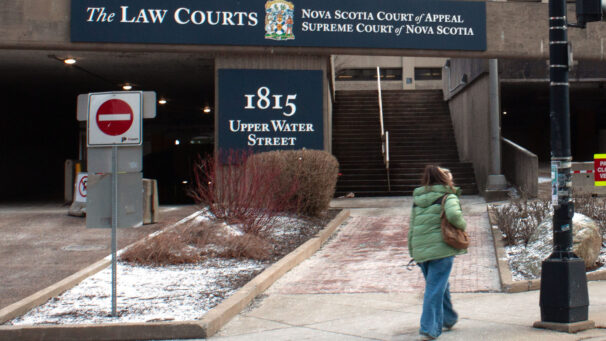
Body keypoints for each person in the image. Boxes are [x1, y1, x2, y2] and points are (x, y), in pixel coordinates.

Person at [408, 165, 467, 340]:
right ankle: (428, 328)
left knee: (440, 285)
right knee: (434, 288)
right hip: (441, 249)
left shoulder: (418, 199)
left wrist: (413, 250)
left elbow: (411, 227)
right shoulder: (448, 196)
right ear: (444, 180)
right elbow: (455, 216)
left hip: (420, 250)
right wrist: (463, 226)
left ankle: (447, 318)